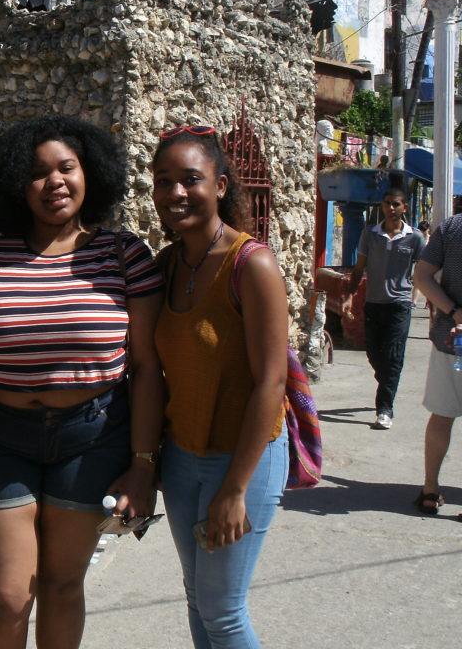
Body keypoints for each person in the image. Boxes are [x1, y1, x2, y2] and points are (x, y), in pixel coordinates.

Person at [0, 115, 166, 649]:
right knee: (9, 594)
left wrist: (144, 467)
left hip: (93, 438)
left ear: (89, 174)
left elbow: (146, 367)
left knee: (60, 585)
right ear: (15, 186)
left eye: (66, 168)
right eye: (36, 173)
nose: (54, 181)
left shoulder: (125, 256)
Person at [151, 125, 288, 649]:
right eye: (163, 181)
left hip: (242, 459)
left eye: (190, 179)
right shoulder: (167, 265)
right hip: (182, 458)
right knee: (197, 598)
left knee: (224, 611)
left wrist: (234, 489)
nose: (175, 193)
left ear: (222, 185)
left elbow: (270, 383)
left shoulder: (252, 264)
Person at [345, 187, 425, 429]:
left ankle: (385, 408)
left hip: (399, 304)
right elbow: (359, 268)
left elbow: (422, 272)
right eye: (388, 203)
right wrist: (350, 295)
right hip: (374, 304)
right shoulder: (370, 235)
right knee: (374, 353)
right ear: (382, 206)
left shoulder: (415, 238)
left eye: (397, 204)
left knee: (393, 357)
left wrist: (418, 297)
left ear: (405, 207)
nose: (392, 208)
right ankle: (386, 382)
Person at [411, 209, 462, 517]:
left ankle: (430, 489)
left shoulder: (453, 228)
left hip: (452, 337)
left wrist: (454, 311)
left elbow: (422, 276)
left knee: (442, 414)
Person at [411, 220, 431, 308]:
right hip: (419, 262)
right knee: (416, 283)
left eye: (424, 229)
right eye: (421, 229)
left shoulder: (430, 238)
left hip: (429, 263)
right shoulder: (417, 237)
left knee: (429, 284)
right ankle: (414, 302)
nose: (422, 231)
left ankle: (429, 302)